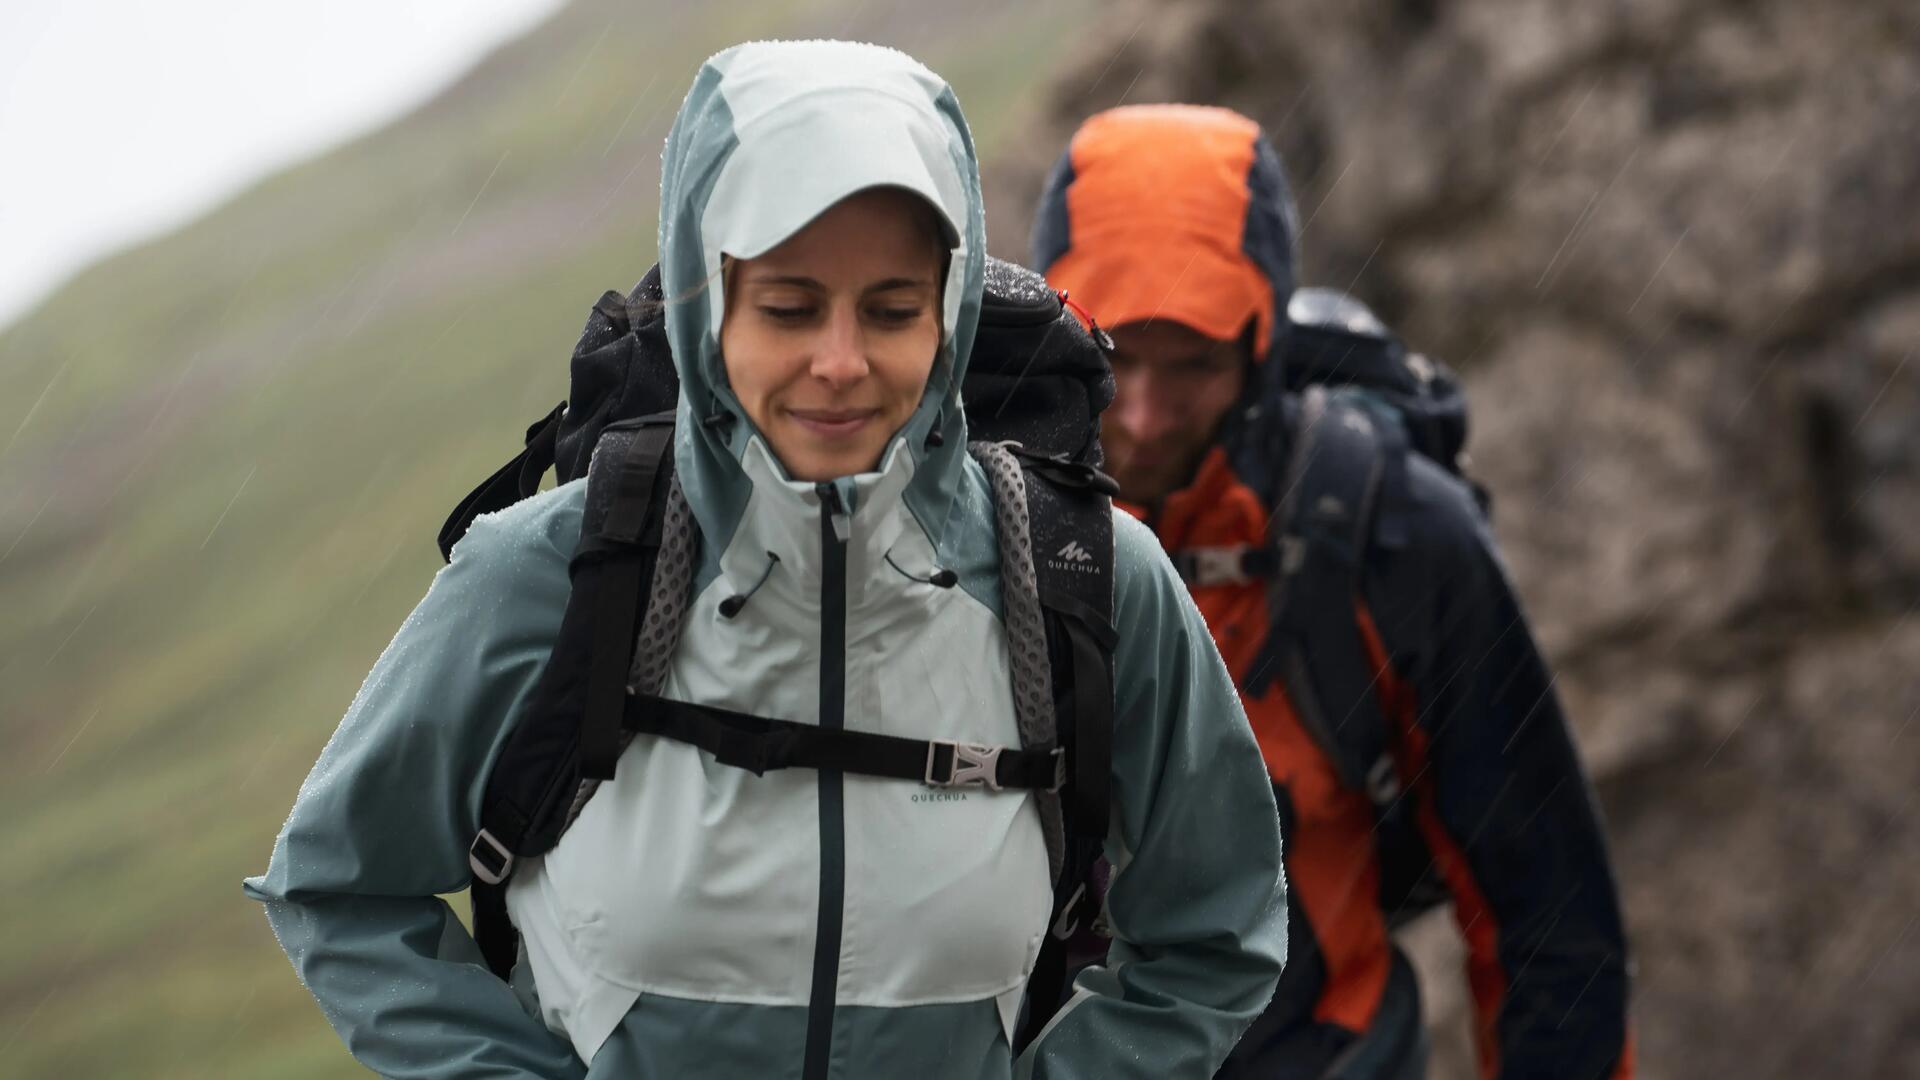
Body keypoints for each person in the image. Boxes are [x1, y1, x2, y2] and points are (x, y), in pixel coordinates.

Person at [244, 43, 1287, 1080]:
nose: (840, 362)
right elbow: (342, 886)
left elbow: (1215, 931)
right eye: (788, 307)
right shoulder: (552, 574)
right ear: (709, 307)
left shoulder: (1083, 579)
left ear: (952, 312)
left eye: (891, 309)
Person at [1033, 104, 1633, 1080]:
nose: (1141, 416)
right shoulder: (961, 517)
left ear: (1262, 348)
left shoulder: (1386, 534)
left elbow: (1547, 919)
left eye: (1194, 365)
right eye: (1112, 357)